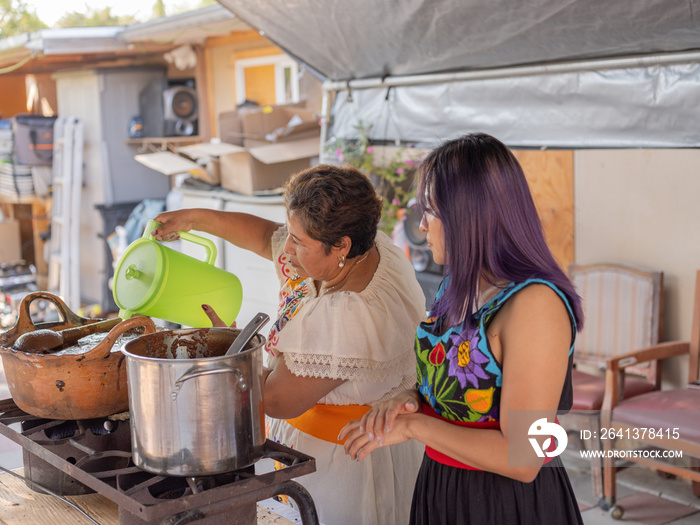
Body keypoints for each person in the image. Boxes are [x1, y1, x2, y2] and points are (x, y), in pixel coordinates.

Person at [151, 164, 427, 525]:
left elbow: (278, 400)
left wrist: (233, 352)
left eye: (300, 241)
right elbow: (267, 237)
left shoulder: (349, 314)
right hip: (315, 444)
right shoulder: (360, 245)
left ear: (340, 245)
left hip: (344, 462)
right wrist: (194, 218)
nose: (289, 247)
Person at [339, 133, 585, 524]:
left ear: (469, 216)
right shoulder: (459, 286)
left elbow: (524, 458)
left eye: (430, 212)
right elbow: (461, 388)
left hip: (505, 504)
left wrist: (415, 426)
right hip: (443, 488)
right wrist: (408, 399)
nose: (422, 226)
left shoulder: (536, 306)